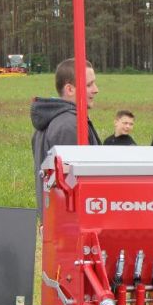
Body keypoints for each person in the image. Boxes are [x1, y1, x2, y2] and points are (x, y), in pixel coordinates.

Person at [31, 58, 101, 218]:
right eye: (89, 85)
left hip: (55, 220)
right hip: (70, 224)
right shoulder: (70, 126)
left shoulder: (50, 121)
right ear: (70, 89)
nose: (96, 90)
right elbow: (73, 183)